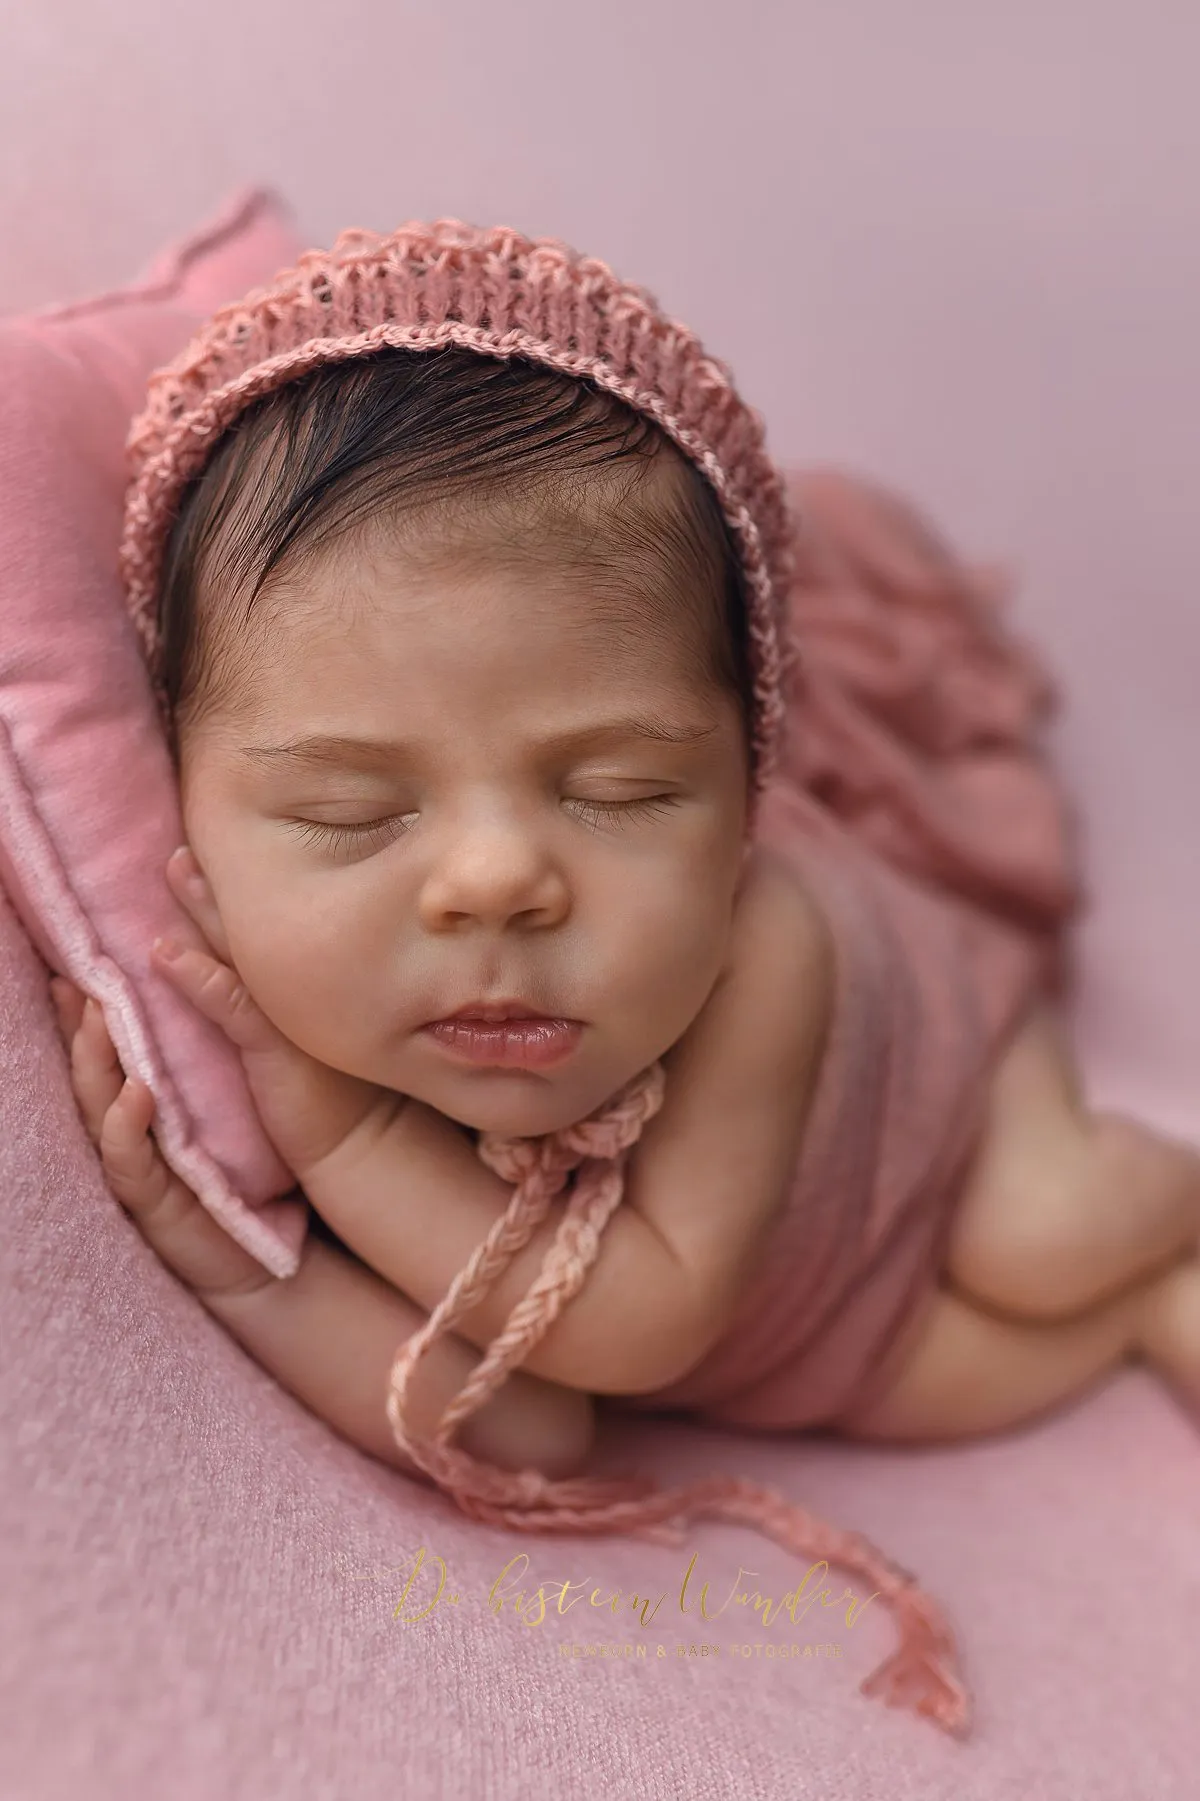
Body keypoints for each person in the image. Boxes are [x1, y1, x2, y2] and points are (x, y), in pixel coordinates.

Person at [47, 220, 1200, 1732]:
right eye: (351, 813)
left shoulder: (763, 950)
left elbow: (639, 1321)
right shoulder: (289, 1017)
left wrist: (347, 1140)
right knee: (962, 1379)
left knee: (1044, 1237)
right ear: (184, 804)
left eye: (621, 793)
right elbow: (534, 1423)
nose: (495, 884)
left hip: (941, 1106)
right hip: (810, 1338)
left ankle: (1162, 1215)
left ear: (742, 797)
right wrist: (246, 1282)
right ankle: (1145, 1315)